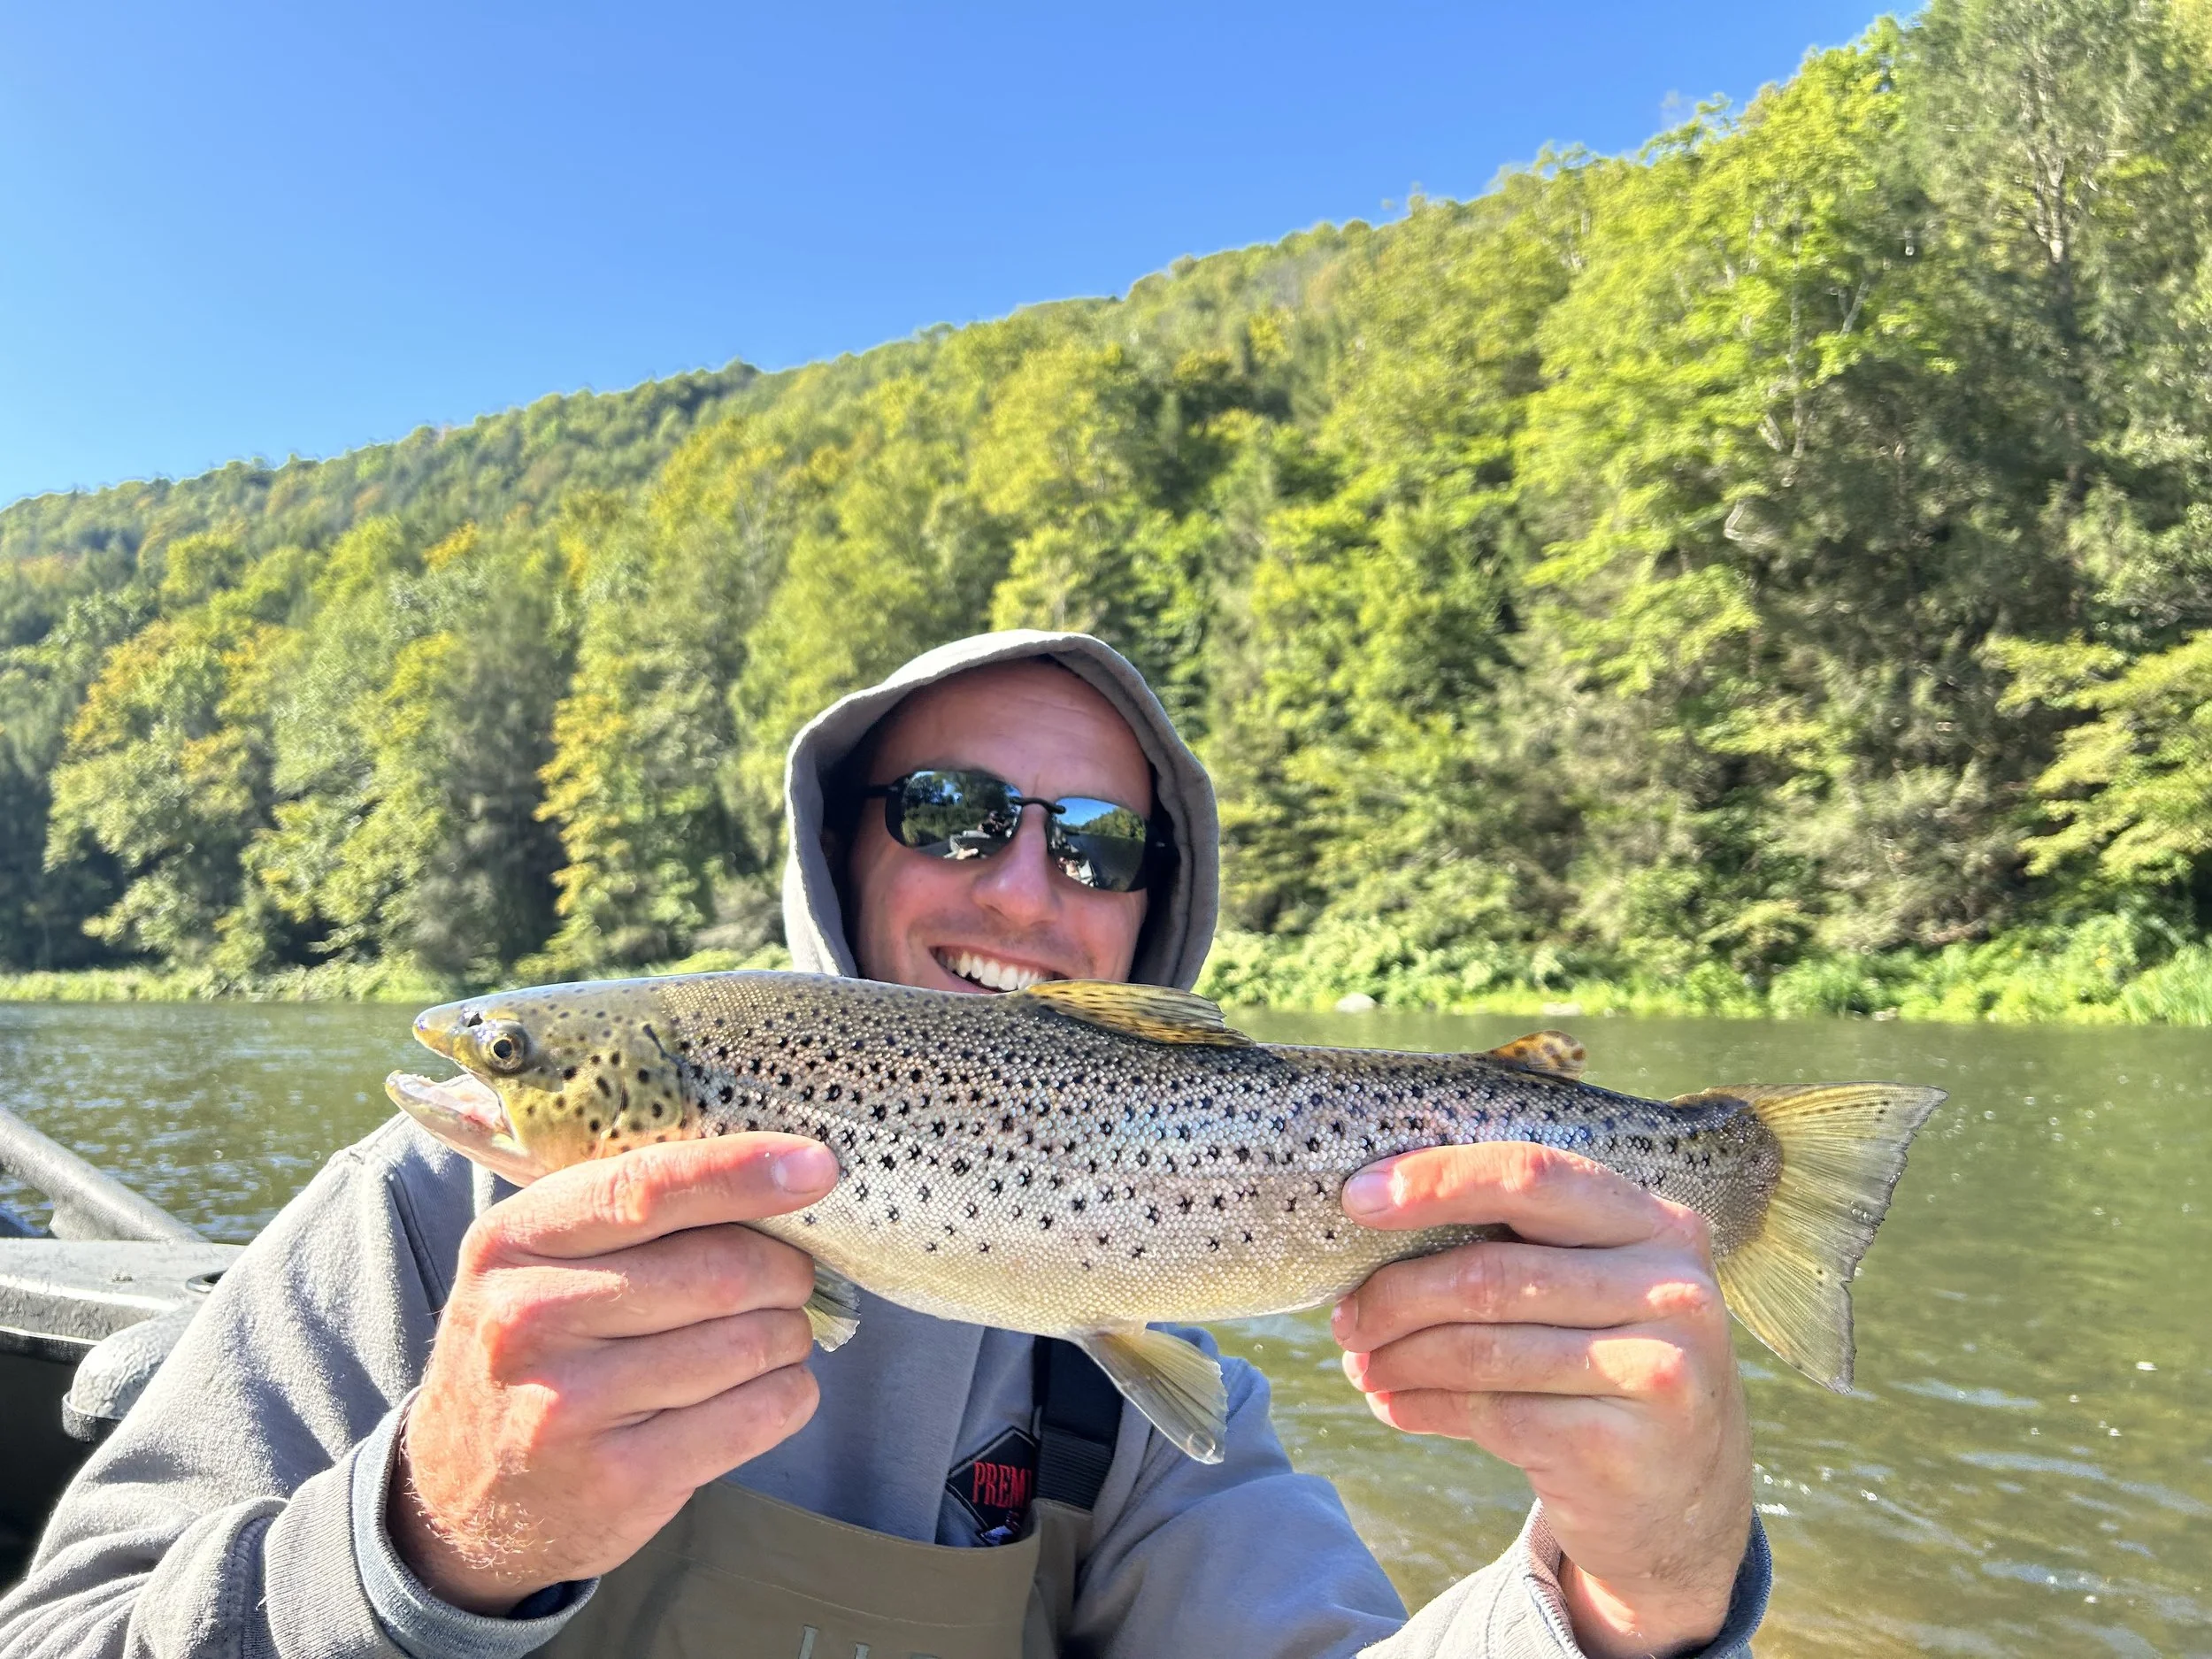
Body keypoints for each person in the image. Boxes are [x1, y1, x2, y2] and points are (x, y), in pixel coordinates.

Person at [0, 630, 1767, 1657]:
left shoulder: (1136, 1393)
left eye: (1098, 844)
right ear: (834, 850)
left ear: (1151, 914)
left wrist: (1639, 1586)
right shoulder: (433, 1224)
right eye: (952, 812)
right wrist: (425, 1532)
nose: (1026, 889)